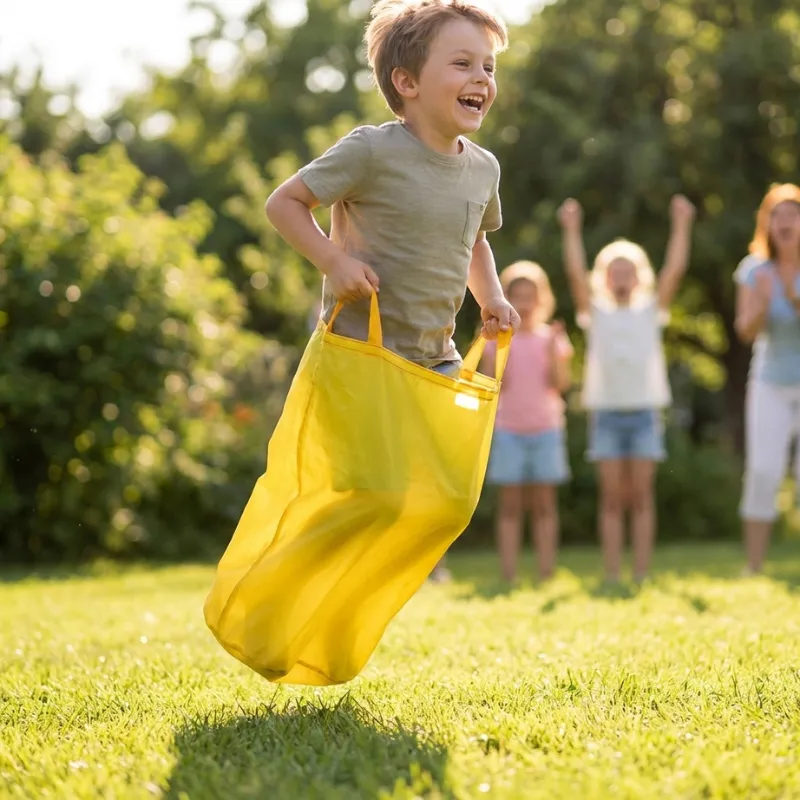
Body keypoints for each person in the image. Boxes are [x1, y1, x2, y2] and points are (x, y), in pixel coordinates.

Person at [265, 0, 519, 587]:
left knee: (446, 496)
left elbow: (476, 240)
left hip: (435, 357)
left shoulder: (483, 169)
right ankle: (301, 574)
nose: (482, 79)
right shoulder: (371, 151)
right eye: (462, 64)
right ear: (407, 82)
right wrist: (334, 260)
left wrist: (492, 297)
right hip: (361, 355)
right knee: (365, 491)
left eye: (488, 67)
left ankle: (380, 579)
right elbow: (285, 203)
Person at [558, 195, 696, 585]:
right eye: (614, 271)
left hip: (644, 415)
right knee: (612, 500)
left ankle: (641, 572)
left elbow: (675, 270)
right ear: (604, 278)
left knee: (640, 498)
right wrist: (571, 230)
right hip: (606, 415)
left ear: (639, 277)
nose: (621, 277)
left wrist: (682, 225)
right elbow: (574, 273)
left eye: (628, 271)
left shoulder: (651, 310)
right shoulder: (594, 313)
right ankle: (612, 572)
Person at [480, 261, 573, 583]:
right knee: (510, 507)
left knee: (545, 506)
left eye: (530, 296)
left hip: (546, 430)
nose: (524, 302)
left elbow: (561, 384)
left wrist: (552, 350)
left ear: (542, 299)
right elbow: (495, 384)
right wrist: (499, 346)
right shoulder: (499, 340)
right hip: (509, 430)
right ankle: (509, 575)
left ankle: (546, 573)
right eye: (516, 296)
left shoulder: (552, 338)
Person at [734, 184, 800, 575]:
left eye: (793, 214)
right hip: (769, 382)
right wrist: (761, 302)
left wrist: (793, 297)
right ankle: (754, 565)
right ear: (768, 223)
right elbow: (745, 331)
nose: (785, 222)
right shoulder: (754, 270)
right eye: (778, 215)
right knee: (762, 470)